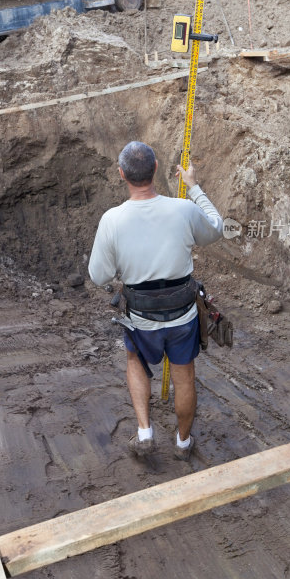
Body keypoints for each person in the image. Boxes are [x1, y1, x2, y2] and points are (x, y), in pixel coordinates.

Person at [88, 141, 223, 461]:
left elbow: (99, 277)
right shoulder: (184, 209)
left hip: (141, 317)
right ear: (157, 169)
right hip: (182, 314)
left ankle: (145, 432)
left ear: (122, 174)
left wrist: (123, 270)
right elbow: (216, 229)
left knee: (135, 361)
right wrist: (193, 188)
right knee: (184, 374)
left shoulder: (112, 220)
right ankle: (183, 443)